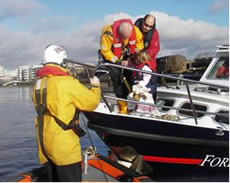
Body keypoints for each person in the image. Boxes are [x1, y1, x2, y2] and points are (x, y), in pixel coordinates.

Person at [32, 44, 101, 182]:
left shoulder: (38, 84)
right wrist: (95, 87)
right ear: (63, 61)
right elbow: (92, 102)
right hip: (64, 149)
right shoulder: (67, 82)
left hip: (45, 147)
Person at [99, 19, 144, 114]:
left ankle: (137, 103)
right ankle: (122, 108)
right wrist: (118, 62)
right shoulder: (108, 34)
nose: (125, 39)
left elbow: (140, 45)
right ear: (119, 32)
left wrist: (135, 51)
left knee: (131, 75)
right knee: (117, 77)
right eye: (123, 37)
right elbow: (105, 51)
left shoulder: (136, 31)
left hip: (127, 55)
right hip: (112, 57)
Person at [135, 14, 160, 101]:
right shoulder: (133, 30)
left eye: (150, 26)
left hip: (149, 64)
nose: (147, 28)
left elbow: (155, 48)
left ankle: (151, 108)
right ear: (142, 22)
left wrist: (145, 55)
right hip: (134, 64)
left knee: (151, 90)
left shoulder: (154, 33)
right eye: (146, 25)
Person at [128, 50, 158, 115]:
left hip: (145, 90)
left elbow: (146, 78)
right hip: (141, 90)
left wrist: (139, 85)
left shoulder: (146, 68)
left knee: (144, 103)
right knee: (135, 100)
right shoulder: (141, 67)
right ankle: (137, 112)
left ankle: (143, 114)